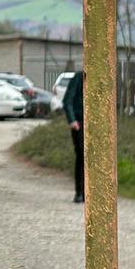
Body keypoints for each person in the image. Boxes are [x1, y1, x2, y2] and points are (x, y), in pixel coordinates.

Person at [62, 69, 85, 203]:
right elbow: (67, 101)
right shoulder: (79, 77)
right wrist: (72, 120)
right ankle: (80, 192)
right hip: (79, 122)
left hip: (95, 124)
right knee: (82, 156)